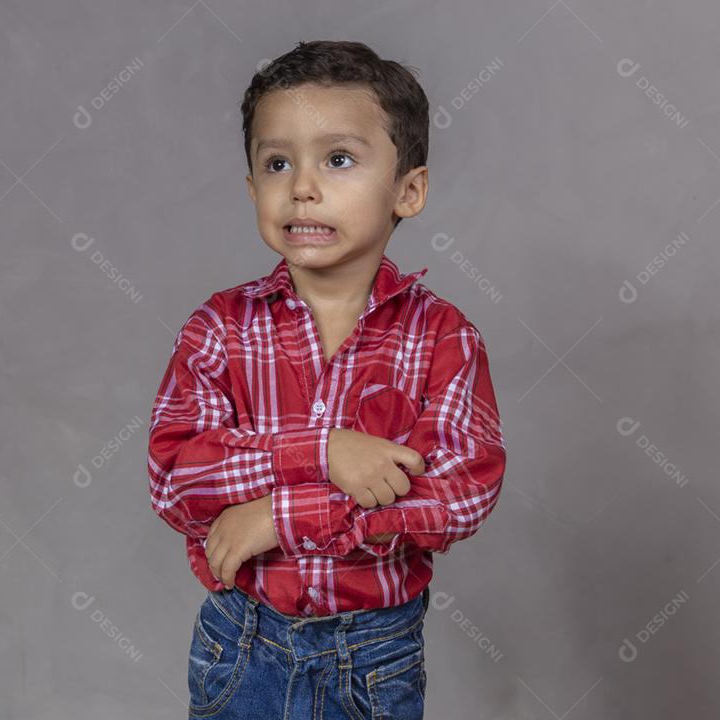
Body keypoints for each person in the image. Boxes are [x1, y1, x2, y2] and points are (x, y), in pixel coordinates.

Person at [147, 39, 507, 719]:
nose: (302, 185)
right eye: (277, 162)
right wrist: (322, 452)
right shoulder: (219, 328)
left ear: (409, 190)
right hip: (242, 644)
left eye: (338, 159)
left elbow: (459, 492)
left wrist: (286, 515)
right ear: (253, 188)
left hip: (374, 655)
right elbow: (178, 477)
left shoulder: (442, 337)